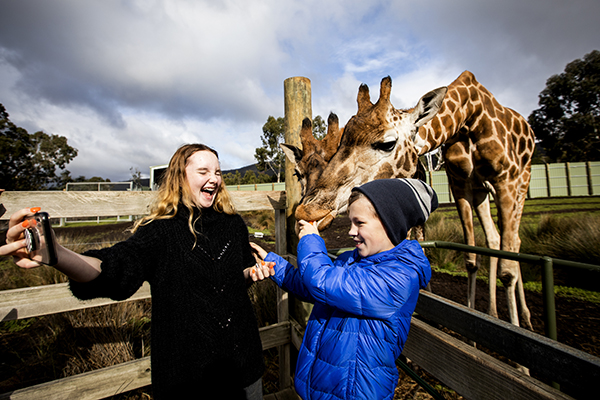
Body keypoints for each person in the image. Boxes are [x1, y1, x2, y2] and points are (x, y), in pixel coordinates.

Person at [2, 144, 274, 399]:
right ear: (179, 177)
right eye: (203, 171)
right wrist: (57, 254)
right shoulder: (160, 231)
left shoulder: (233, 224)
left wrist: (250, 274)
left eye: (217, 172)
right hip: (187, 378)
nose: (214, 178)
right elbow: (114, 267)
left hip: (243, 366)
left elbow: (232, 278)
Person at [251, 178, 438, 400]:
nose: (351, 231)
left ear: (390, 223)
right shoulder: (353, 259)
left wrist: (311, 240)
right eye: (350, 222)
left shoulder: (399, 277)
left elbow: (321, 280)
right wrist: (277, 266)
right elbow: (316, 290)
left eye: (359, 223)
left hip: (355, 391)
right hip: (325, 387)